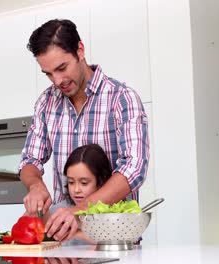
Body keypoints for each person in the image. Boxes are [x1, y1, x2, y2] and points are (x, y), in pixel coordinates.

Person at [19, 18, 149, 242]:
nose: (57, 80)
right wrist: (35, 185)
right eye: (48, 73)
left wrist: (80, 211)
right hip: (63, 241)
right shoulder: (46, 102)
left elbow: (134, 169)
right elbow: (30, 159)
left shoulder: (122, 98)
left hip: (112, 240)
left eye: (62, 68)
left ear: (80, 50)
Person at [47, 144, 113, 245]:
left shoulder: (113, 213)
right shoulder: (60, 210)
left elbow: (121, 243)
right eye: (71, 182)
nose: (76, 190)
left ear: (101, 181)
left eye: (84, 183)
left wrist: (77, 232)